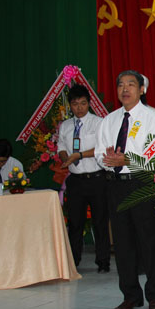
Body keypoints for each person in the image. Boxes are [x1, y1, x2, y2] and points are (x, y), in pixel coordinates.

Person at [95, 70, 155, 309]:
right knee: (122, 243)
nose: (125, 89)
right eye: (121, 85)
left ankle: (154, 296)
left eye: (131, 84)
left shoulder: (152, 119)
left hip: (142, 184)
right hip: (115, 185)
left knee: (149, 242)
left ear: (142, 89)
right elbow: (99, 153)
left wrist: (128, 160)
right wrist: (108, 160)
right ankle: (131, 296)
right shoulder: (109, 120)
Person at [58, 84, 110, 273]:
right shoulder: (65, 126)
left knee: (100, 221)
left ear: (89, 103)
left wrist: (79, 155)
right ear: (70, 105)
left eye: (83, 103)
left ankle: (103, 261)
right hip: (75, 180)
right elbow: (61, 146)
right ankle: (74, 261)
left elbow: (102, 149)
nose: (79, 108)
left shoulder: (99, 123)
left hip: (97, 179)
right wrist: (66, 158)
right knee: (75, 222)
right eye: (75, 104)